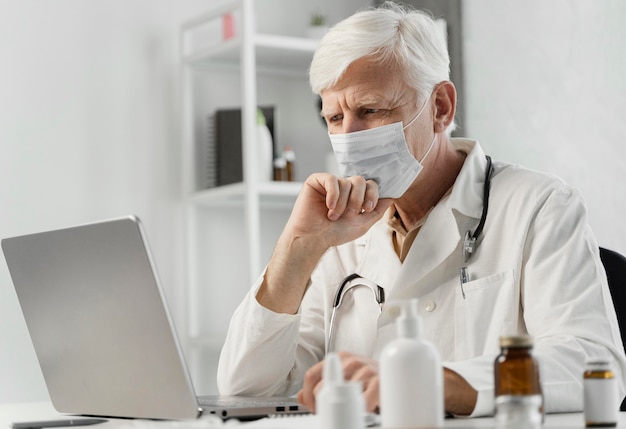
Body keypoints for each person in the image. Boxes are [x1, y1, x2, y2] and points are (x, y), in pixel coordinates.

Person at [217, 2, 626, 417]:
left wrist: (433, 381)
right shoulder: (336, 233)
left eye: (370, 110)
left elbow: (591, 361)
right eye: (335, 117)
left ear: (440, 108)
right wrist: (298, 246)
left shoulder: (539, 206)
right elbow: (248, 390)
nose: (348, 137)